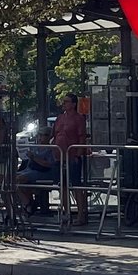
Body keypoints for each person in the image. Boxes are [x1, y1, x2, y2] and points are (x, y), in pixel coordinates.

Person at [53, 94, 90, 224]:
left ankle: (81, 214)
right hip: (59, 156)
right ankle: (67, 213)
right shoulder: (59, 118)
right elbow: (55, 134)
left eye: (66, 102)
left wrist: (78, 154)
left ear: (73, 104)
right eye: (63, 102)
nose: (64, 104)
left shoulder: (78, 118)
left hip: (72, 155)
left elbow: (82, 137)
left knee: (76, 186)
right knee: (62, 185)